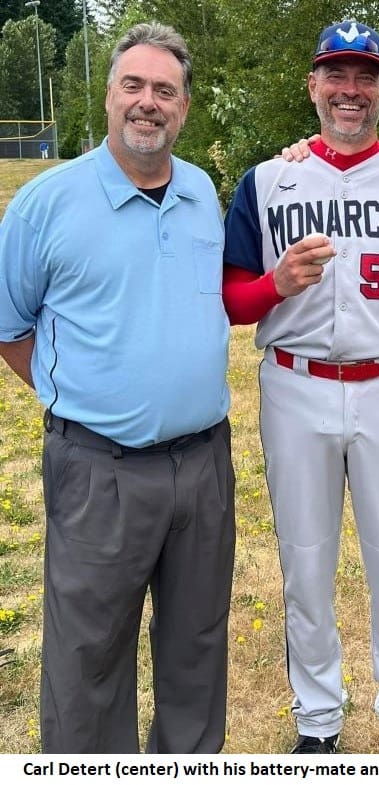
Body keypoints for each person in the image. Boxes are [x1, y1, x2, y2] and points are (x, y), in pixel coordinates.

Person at [221, 19, 379, 754]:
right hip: (294, 385)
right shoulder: (269, 178)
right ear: (313, 87)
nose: (349, 90)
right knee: (305, 563)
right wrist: (275, 284)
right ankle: (318, 721)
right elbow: (233, 299)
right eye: (336, 74)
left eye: (365, 76)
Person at [0, 22, 235, 753]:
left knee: (197, 647)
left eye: (165, 90)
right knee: (88, 658)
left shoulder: (200, 191)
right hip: (100, 469)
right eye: (133, 85)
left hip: (204, 466)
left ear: (184, 108)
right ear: (108, 98)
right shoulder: (46, 204)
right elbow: (10, 329)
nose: (148, 102)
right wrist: (86, 398)